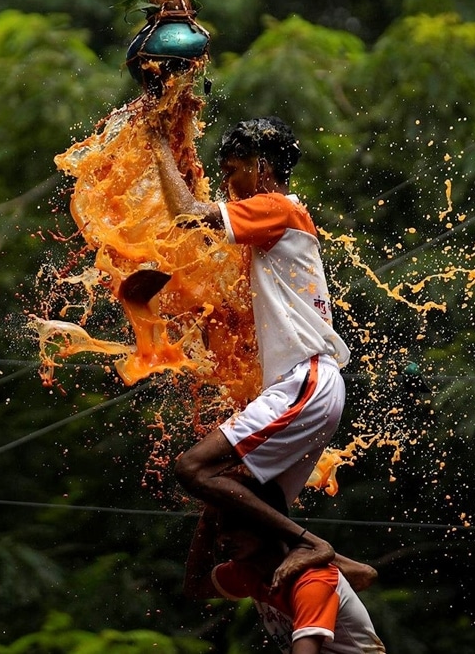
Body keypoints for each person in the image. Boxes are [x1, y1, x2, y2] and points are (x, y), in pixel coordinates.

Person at [151, 116, 351, 587]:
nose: (228, 183)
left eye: (234, 169)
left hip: (306, 383)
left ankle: (312, 545)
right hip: (311, 387)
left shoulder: (277, 207)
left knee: (192, 468)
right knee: (228, 503)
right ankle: (336, 573)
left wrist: (158, 141)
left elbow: (186, 213)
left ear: (262, 168)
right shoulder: (272, 222)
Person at [184, 477, 386, 654]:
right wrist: (207, 520)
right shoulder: (247, 570)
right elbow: (195, 586)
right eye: (219, 529)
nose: (223, 538)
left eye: (235, 524)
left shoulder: (313, 580)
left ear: (269, 522)